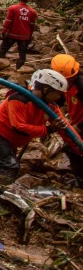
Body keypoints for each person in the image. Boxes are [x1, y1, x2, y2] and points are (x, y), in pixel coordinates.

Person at [0, 69, 67, 184]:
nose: (58, 97)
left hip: (11, 140)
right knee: (10, 166)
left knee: (4, 165)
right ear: (46, 90)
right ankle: (0, 194)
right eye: (56, 93)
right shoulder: (18, 99)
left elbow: (65, 126)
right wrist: (48, 129)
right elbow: (19, 127)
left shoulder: (51, 106)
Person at [50, 55, 83, 184]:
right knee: (73, 149)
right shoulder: (64, 85)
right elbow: (60, 100)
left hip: (80, 124)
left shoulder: (81, 87)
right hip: (76, 121)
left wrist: (77, 128)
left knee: (74, 149)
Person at [0, 0, 38, 68]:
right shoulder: (32, 11)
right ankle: (19, 69)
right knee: (22, 54)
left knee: (2, 50)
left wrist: (4, 32)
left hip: (11, 34)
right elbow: (32, 25)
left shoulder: (12, 8)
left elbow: (8, 21)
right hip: (24, 36)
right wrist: (29, 36)